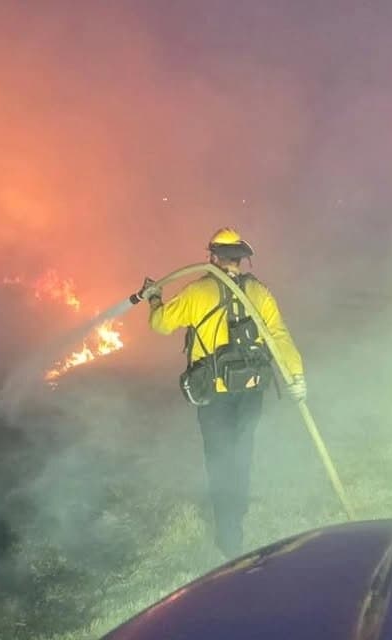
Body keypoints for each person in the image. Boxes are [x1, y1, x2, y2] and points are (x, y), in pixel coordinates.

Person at [139, 228, 306, 557]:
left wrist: (155, 297)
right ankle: (238, 510)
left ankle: (229, 534)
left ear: (213, 256)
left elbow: (160, 323)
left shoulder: (198, 291)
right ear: (241, 259)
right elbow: (279, 335)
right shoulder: (259, 292)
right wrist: (296, 375)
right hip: (251, 391)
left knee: (219, 458)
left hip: (215, 395)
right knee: (242, 451)